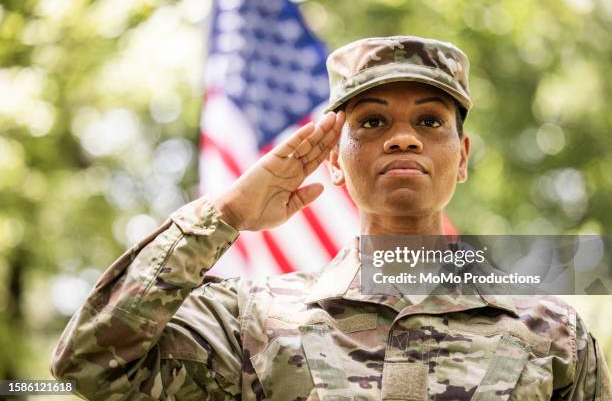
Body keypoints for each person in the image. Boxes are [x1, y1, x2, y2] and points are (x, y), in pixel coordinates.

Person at [50, 36, 611, 400]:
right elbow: (90, 364)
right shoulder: (252, 321)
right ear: (334, 163)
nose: (402, 139)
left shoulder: (551, 333)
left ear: (461, 158)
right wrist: (226, 213)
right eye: (371, 122)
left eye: (430, 121)